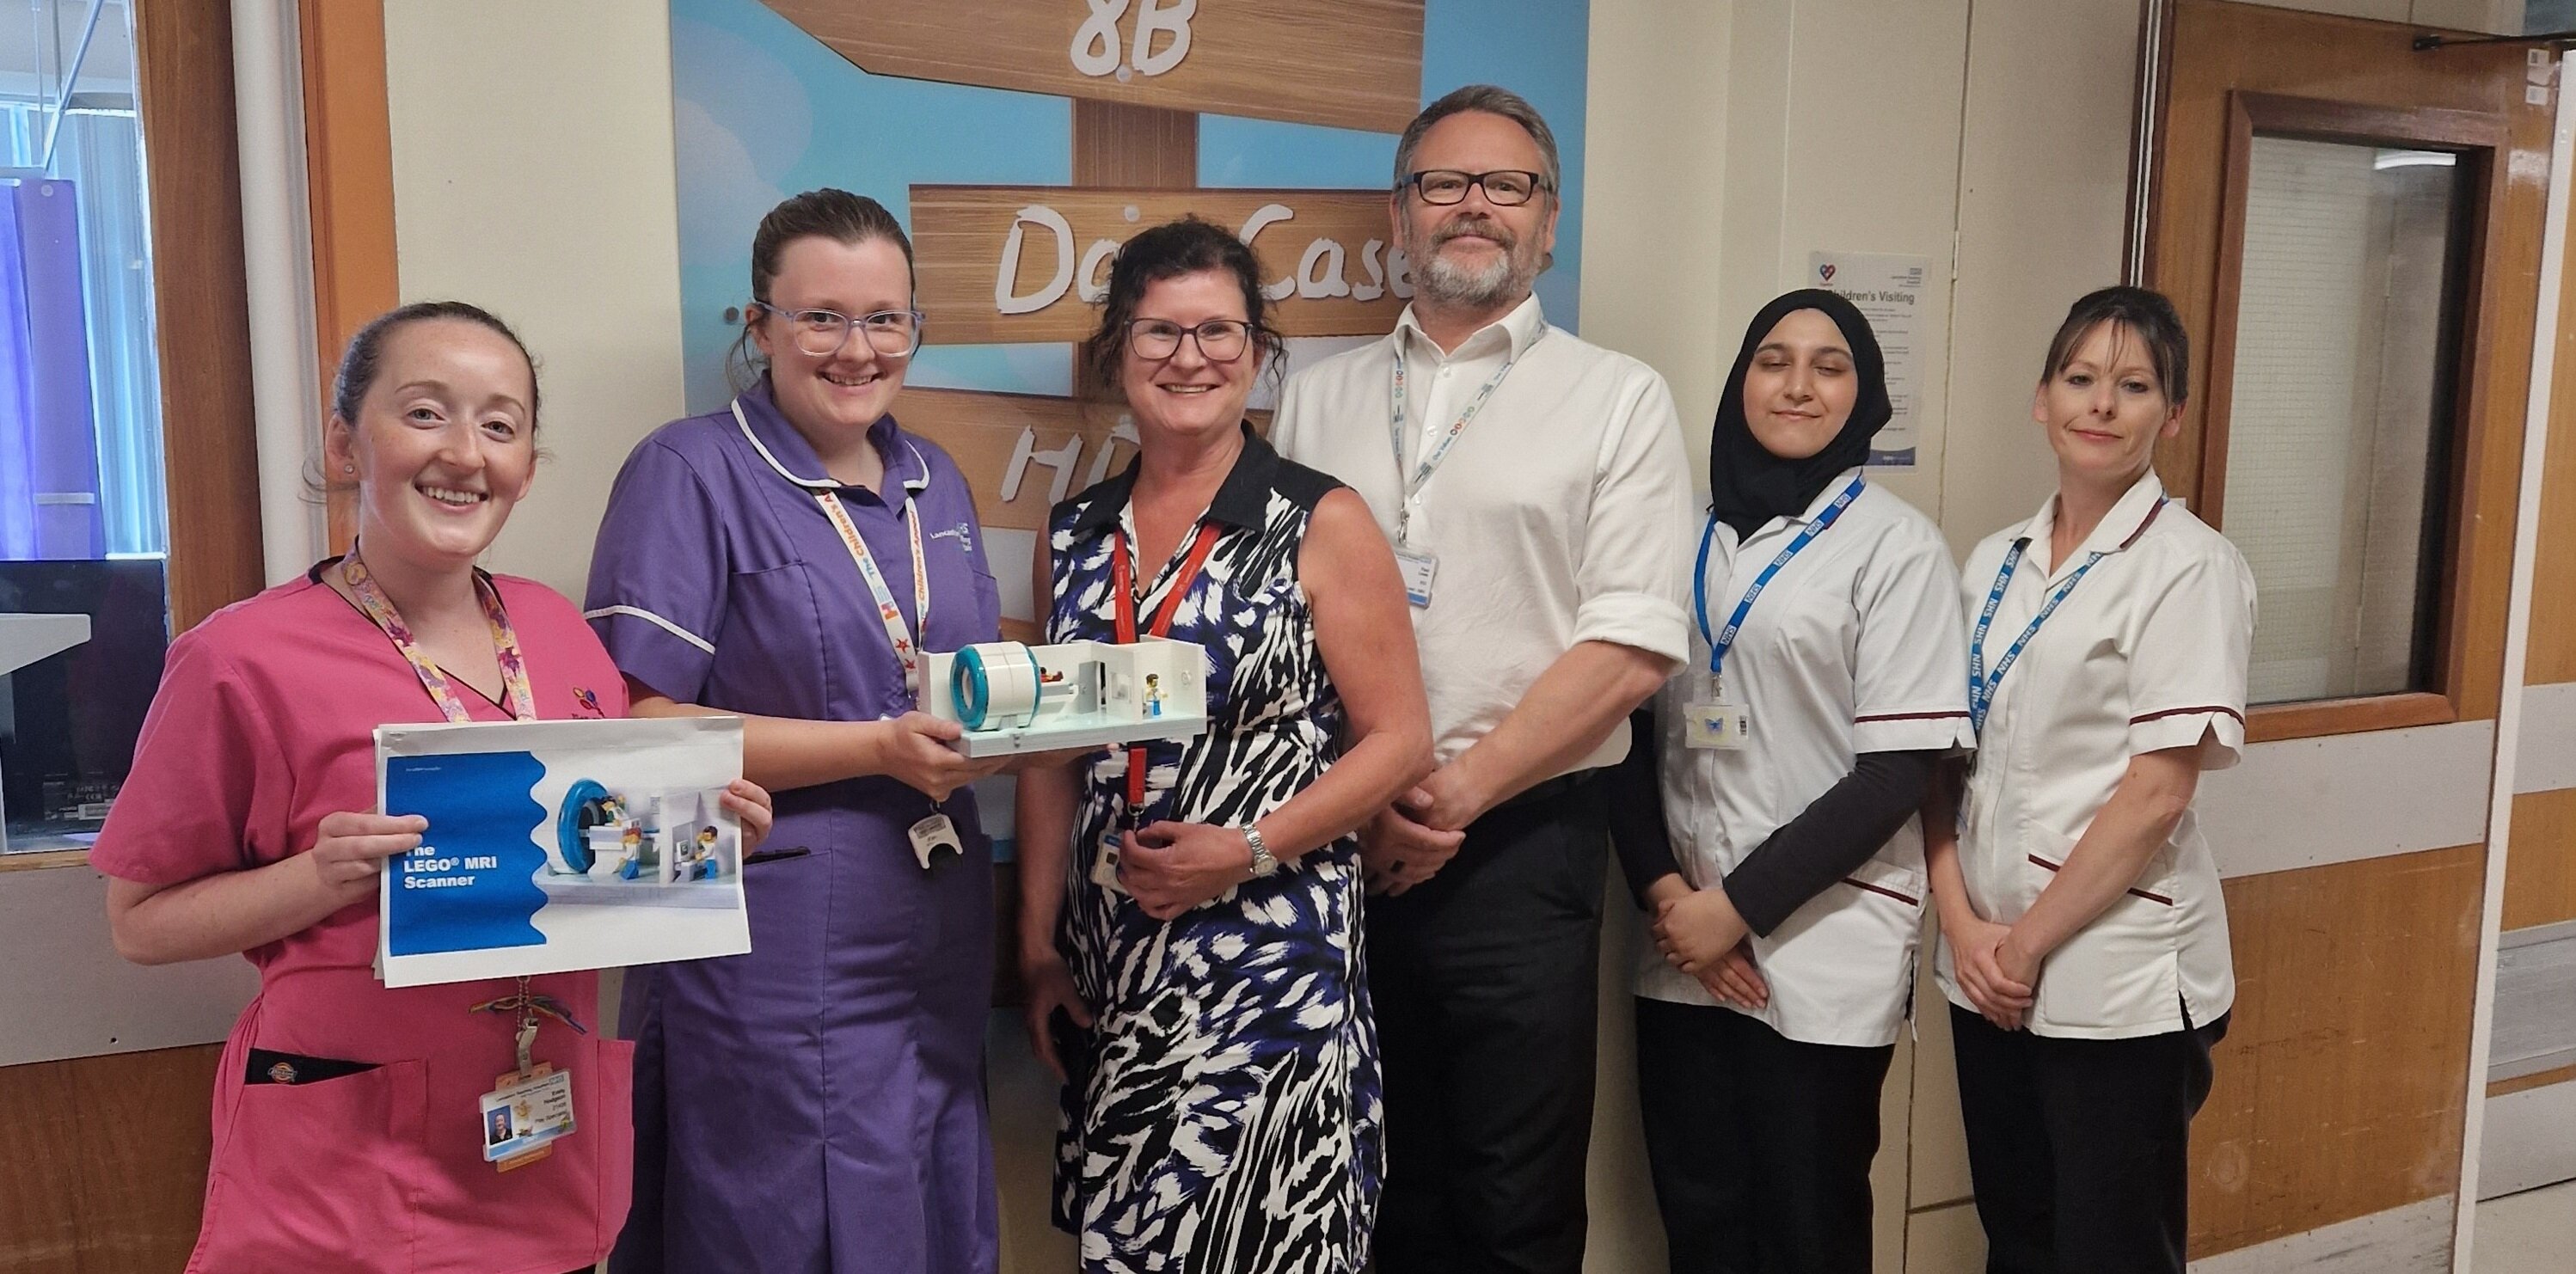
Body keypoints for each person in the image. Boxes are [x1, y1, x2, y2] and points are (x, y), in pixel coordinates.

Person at [94, 301, 774, 1274]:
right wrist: (319, 876)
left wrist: (696, 839)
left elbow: (578, 861)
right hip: (349, 1154)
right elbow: (139, 923)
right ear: (343, 444)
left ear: (528, 467)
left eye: (500, 425)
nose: (466, 451)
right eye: (424, 413)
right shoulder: (239, 658)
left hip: (539, 1131)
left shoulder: (559, 633)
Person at [1269, 84, 1693, 1271]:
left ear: (1548, 222)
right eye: (1443, 184)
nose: (1473, 207)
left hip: (1522, 847)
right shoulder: (1319, 392)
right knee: (1363, 1175)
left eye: (1505, 185)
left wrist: (1450, 796)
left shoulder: (1618, 397)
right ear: (1398, 218)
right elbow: (1282, 623)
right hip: (1340, 841)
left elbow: (1633, 642)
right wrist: (1364, 806)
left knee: (1512, 1198)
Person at [584, 189, 1009, 1274]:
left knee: (929, 1188)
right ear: (759, 326)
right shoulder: (689, 471)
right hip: (771, 937)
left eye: (885, 319)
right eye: (821, 317)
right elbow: (642, 725)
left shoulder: (936, 480)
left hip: (937, 921)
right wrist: (871, 748)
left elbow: (967, 683)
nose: (856, 349)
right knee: (782, 1214)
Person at [1015, 217, 1433, 1274]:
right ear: (1116, 350)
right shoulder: (1072, 534)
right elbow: (1050, 761)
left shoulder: (1315, 519)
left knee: (1269, 1238)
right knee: (1138, 1246)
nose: (1189, 358)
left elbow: (1397, 740)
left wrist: (1246, 847)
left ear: (1255, 352)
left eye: (1218, 331)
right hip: (1120, 962)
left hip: (1271, 955)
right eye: (1158, 332)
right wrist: (1033, 949)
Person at [1605, 291, 1971, 1273]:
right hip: (1679, 946)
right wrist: (1670, 898)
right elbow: (1621, 729)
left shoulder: (1895, 550)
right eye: (1772, 359)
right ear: (1738, 381)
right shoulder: (1671, 530)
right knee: (1702, 1218)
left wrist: (1738, 907)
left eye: (1828, 364)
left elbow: (1896, 770)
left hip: (1820, 944)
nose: (1796, 384)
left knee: (1805, 1227)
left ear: (1863, 394)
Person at [1928, 285, 2253, 1274]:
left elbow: (2157, 792)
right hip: (1983, 958)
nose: (2099, 405)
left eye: (2133, 385)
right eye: (2078, 379)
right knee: (2017, 1234)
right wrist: (1962, 925)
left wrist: (2021, 946)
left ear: (2173, 414)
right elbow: (1941, 754)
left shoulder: (2188, 569)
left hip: (2113, 977)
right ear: (2041, 399)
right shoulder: (1992, 561)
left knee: (2110, 1249)